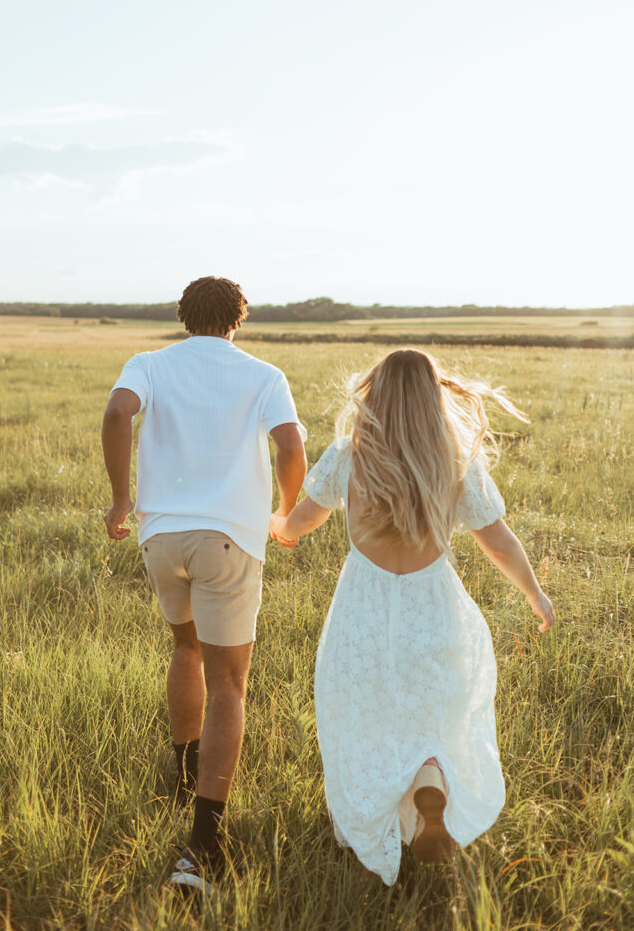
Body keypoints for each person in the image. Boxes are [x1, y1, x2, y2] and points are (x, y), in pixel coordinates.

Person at [270, 348, 555, 886]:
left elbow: (304, 518)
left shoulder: (349, 454)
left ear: (374, 397)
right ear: (433, 399)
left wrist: (281, 525)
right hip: (434, 606)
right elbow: (497, 540)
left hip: (364, 609)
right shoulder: (453, 459)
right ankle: (430, 785)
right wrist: (536, 595)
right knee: (434, 716)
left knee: (363, 718)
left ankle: (366, 845)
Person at [102, 276, 307, 894]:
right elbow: (291, 445)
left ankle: (186, 767)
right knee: (229, 683)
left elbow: (117, 413)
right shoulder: (264, 374)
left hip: (161, 537)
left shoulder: (149, 363)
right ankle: (204, 845)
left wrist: (119, 499)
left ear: (184, 315)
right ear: (237, 321)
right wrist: (287, 511)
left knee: (184, 648)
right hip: (229, 540)